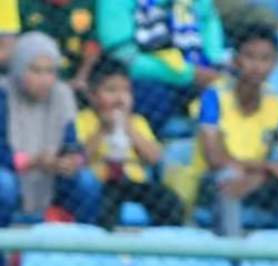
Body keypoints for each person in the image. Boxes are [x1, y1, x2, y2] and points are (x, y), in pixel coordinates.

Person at [195, 21, 278, 238]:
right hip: (216, 179)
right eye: (250, 56)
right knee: (229, 178)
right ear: (236, 60)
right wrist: (267, 168)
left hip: (261, 178)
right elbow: (214, 157)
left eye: (265, 59)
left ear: (275, 64)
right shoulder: (215, 96)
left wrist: (260, 175)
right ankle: (233, 257)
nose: (257, 66)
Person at [0, 32, 101, 225]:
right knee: (3, 183)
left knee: (86, 181)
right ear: (19, 69)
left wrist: (72, 160)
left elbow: (72, 144)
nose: (44, 79)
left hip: (52, 178)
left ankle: (86, 247)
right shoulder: (3, 94)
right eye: (35, 71)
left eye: (50, 71)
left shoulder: (62, 94)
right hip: (12, 173)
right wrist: (32, 161)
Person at [74, 55, 184, 228]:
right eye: (111, 91)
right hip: (102, 183)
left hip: (134, 182)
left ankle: (164, 246)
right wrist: (103, 129)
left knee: (168, 200)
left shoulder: (137, 122)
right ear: (92, 95)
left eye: (125, 91)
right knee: (107, 206)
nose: (120, 98)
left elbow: (155, 157)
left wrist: (129, 128)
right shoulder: (83, 120)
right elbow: (80, 158)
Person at [95, 0, 225, 135]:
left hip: (200, 68)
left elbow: (208, 19)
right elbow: (123, 55)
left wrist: (213, 63)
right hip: (149, 78)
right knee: (149, 95)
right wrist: (188, 74)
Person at [19, 0, 101, 98]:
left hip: (76, 83)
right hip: (33, 85)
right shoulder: (25, 4)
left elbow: (92, 44)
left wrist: (80, 78)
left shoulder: (88, 3)